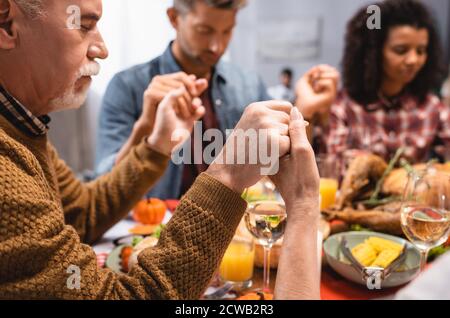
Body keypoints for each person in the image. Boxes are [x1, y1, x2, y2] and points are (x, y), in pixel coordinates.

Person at [0, 0, 322, 300]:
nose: (102, 49)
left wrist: (156, 146)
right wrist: (227, 174)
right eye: (84, 26)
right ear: (6, 24)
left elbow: (81, 213)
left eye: (227, 31)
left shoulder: (24, 128)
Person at [94, 0, 272, 199]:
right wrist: (146, 128)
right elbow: (102, 194)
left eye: (227, 31)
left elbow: (277, 162)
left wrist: (304, 113)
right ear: (174, 18)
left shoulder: (249, 84)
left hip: (232, 222)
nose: (217, 46)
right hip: (155, 225)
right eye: (204, 30)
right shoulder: (127, 86)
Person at [296, 0, 450, 163]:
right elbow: (331, 171)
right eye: (400, 50)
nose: (413, 59)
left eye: (421, 50)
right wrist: (305, 111)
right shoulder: (344, 107)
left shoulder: (432, 107)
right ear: (373, 53)